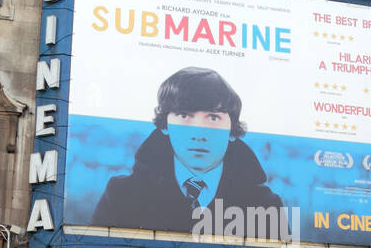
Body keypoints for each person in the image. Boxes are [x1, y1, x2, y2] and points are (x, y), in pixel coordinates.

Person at [90, 67, 284, 232]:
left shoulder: (266, 205)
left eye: (213, 117)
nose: (198, 134)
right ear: (165, 125)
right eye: (184, 115)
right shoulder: (122, 195)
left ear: (232, 129)